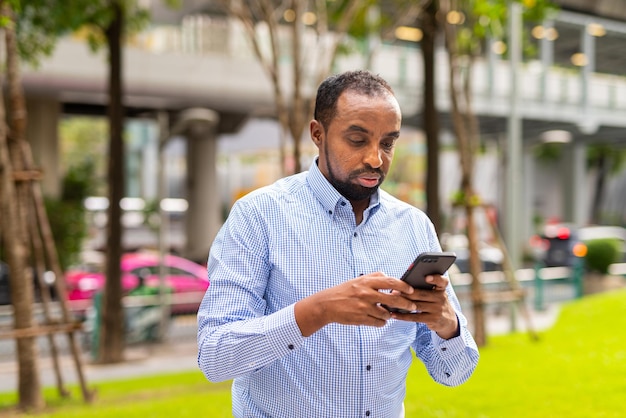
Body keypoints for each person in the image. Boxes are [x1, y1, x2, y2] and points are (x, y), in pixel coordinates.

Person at [197, 70, 479, 417]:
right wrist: (318, 311)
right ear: (318, 134)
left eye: (388, 143)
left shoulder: (414, 226)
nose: (376, 159)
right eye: (358, 140)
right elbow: (216, 356)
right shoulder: (259, 216)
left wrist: (446, 324)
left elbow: (455, 372)